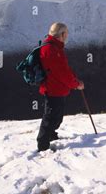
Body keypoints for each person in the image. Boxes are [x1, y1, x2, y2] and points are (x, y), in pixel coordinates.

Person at [36, 22, 84, 152]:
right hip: (53, 89)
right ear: (62, 34)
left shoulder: (53, 47)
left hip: (55, 88)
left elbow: (64, 69)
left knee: (55, 116)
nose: (67, 36)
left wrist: (74, 80)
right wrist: (76, 84)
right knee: (51, 117)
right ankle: (43, 145)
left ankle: (50, 136)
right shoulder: (52, 50)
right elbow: (62, 73)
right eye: (66, 34)